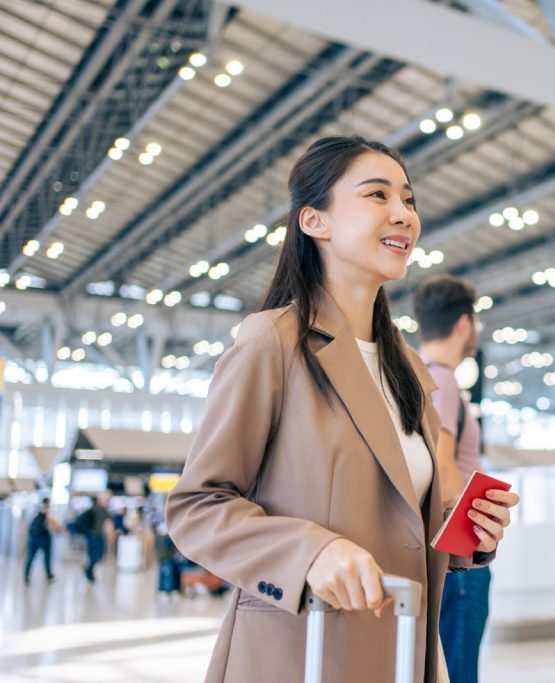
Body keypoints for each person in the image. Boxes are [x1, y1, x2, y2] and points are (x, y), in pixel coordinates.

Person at [165, 135, 519, 683]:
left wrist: (463, 531)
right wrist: (310, 553)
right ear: (315, 221)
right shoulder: (274, 343)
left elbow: (396, 518)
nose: (403, 214)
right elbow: (197, 507)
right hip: (300, 652)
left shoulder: (408, 368)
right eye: (378, 195)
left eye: (409, 199)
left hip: (405, 653)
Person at [413, 275, 489, 683]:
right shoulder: (440, 379)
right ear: (464, 324)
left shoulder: (415, 374)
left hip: (440, 551)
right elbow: (443, 466)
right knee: (459, 667)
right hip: (457, 554)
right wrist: (465, 556)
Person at [24, 497, 59, 584]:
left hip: (45, 537)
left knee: (47, 558)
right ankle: (26, 576)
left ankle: (49, 575)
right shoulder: (35, 511)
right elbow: (28, 524)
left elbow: (55, 527)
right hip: (35, 537)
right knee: (31, 557)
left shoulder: (51, 514)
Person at [84, 490, 114, 583]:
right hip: (97, 535)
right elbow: (108, 526)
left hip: (90, 534)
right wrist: (110, 540)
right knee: (98, 555)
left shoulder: (94, 508)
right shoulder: (102, 510)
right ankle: (89, 570)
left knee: (93, 555)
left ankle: (90, 571)